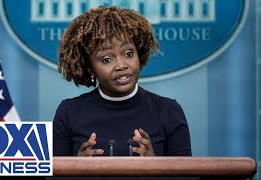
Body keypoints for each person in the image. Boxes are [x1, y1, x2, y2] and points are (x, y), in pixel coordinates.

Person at [53, 6, 192, 156]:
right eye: (107, 59)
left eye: (128, 53)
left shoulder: (169, 111)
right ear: (90, 67)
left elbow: (187, 177)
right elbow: (48, 176)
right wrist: (75, 169)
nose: (121, 65)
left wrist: (155, 167)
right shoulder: (69, 113)